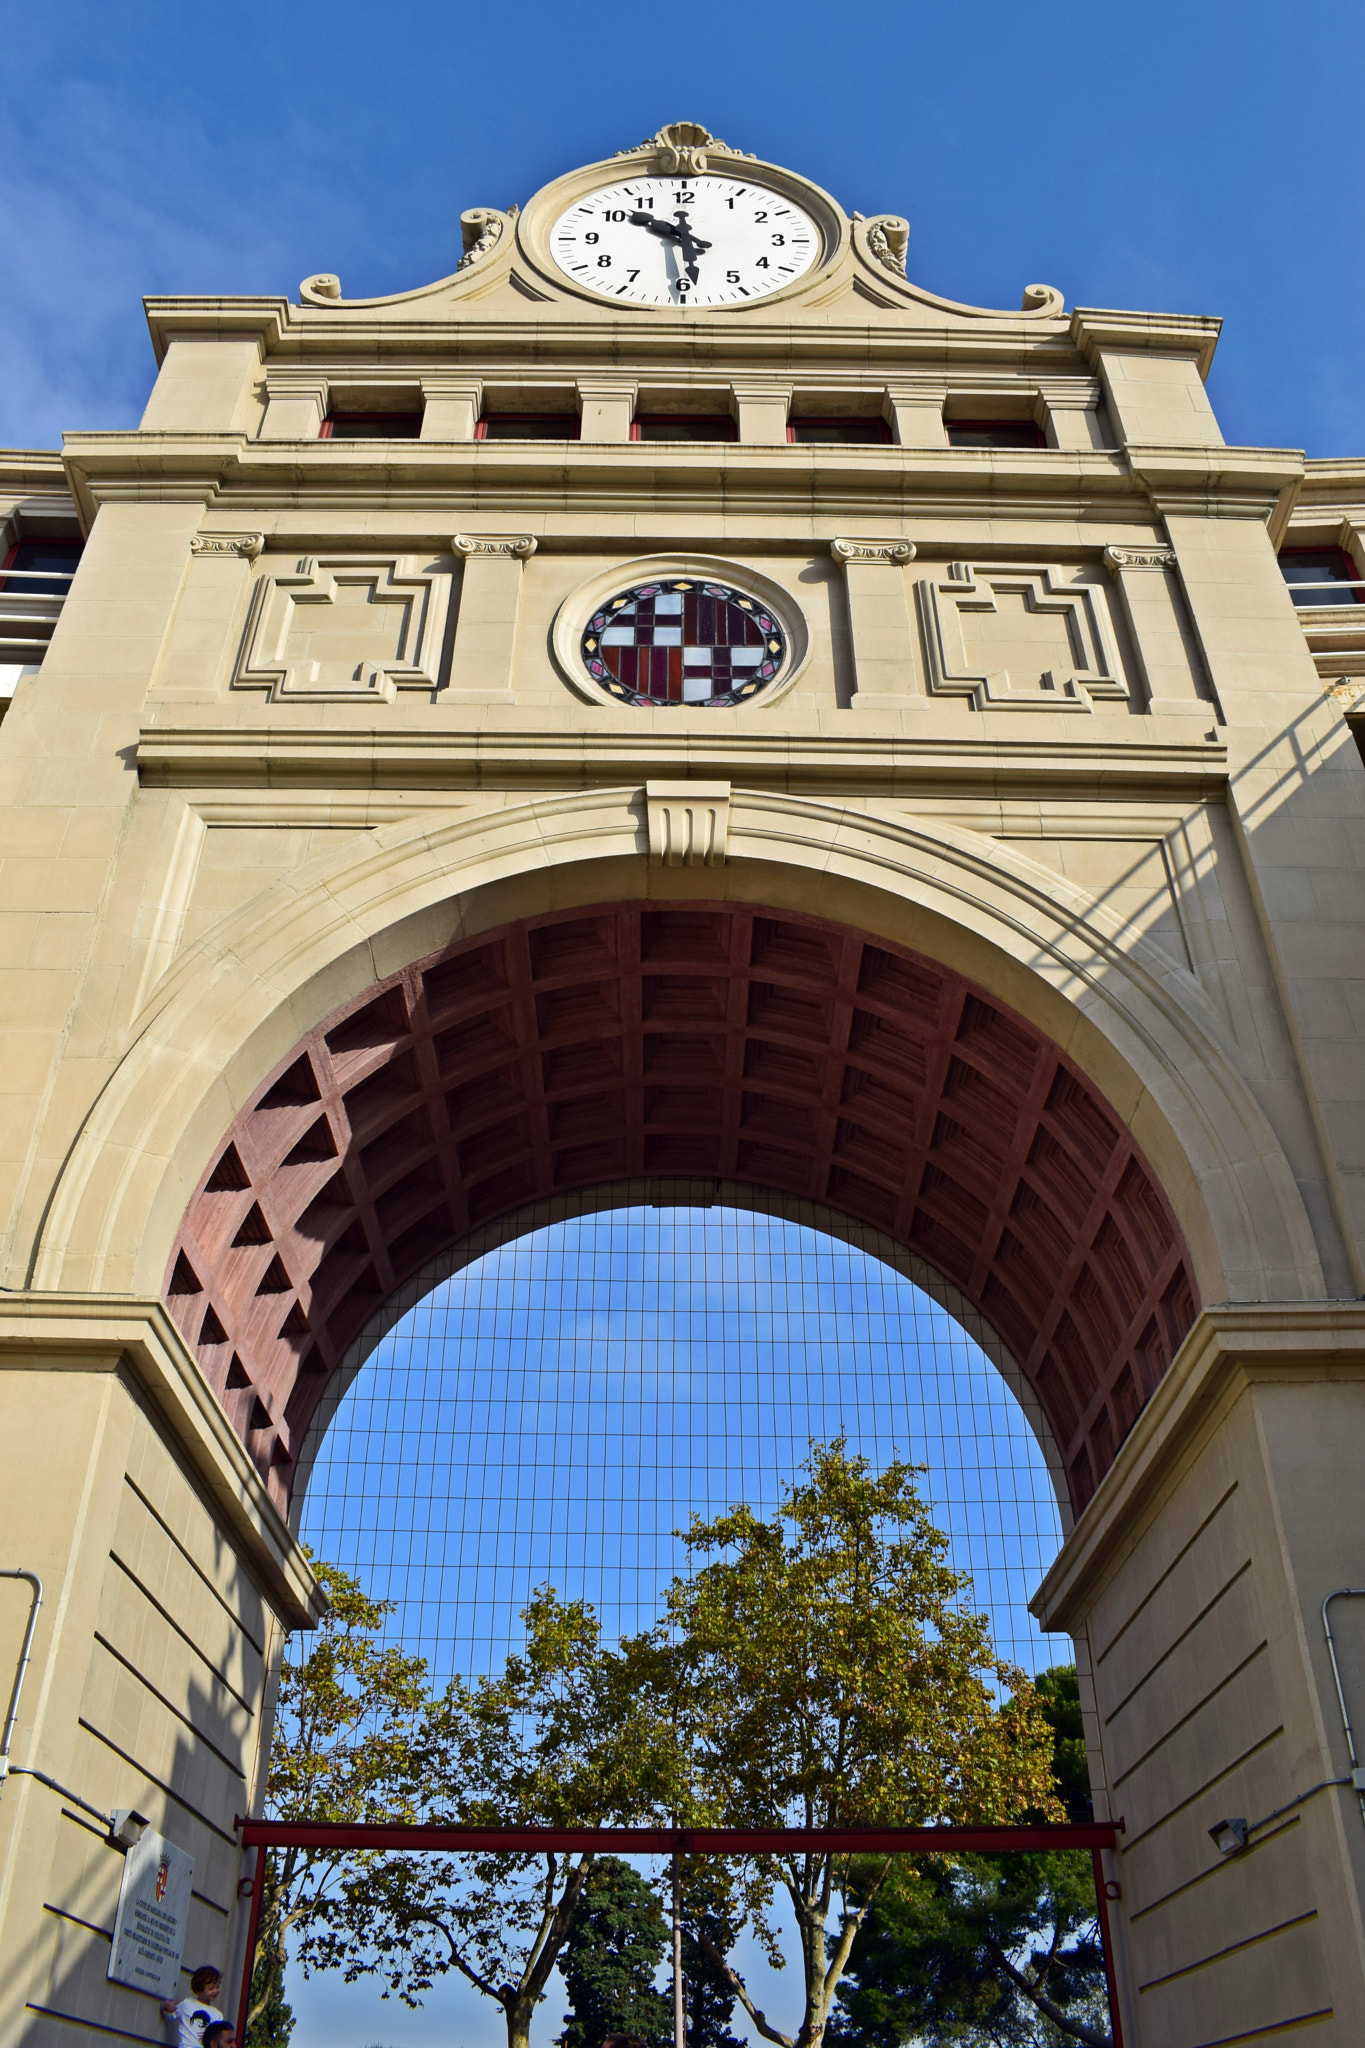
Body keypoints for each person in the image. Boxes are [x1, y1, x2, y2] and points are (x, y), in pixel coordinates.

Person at [161, 1965, 224, 2048]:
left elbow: (218, 2038)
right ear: (198, 1990)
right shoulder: (187, 2004)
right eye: (211, 1988)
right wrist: (166, 2006)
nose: (215, 1991)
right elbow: (170, 2014)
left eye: (217, 1987)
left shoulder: (217, 2015)